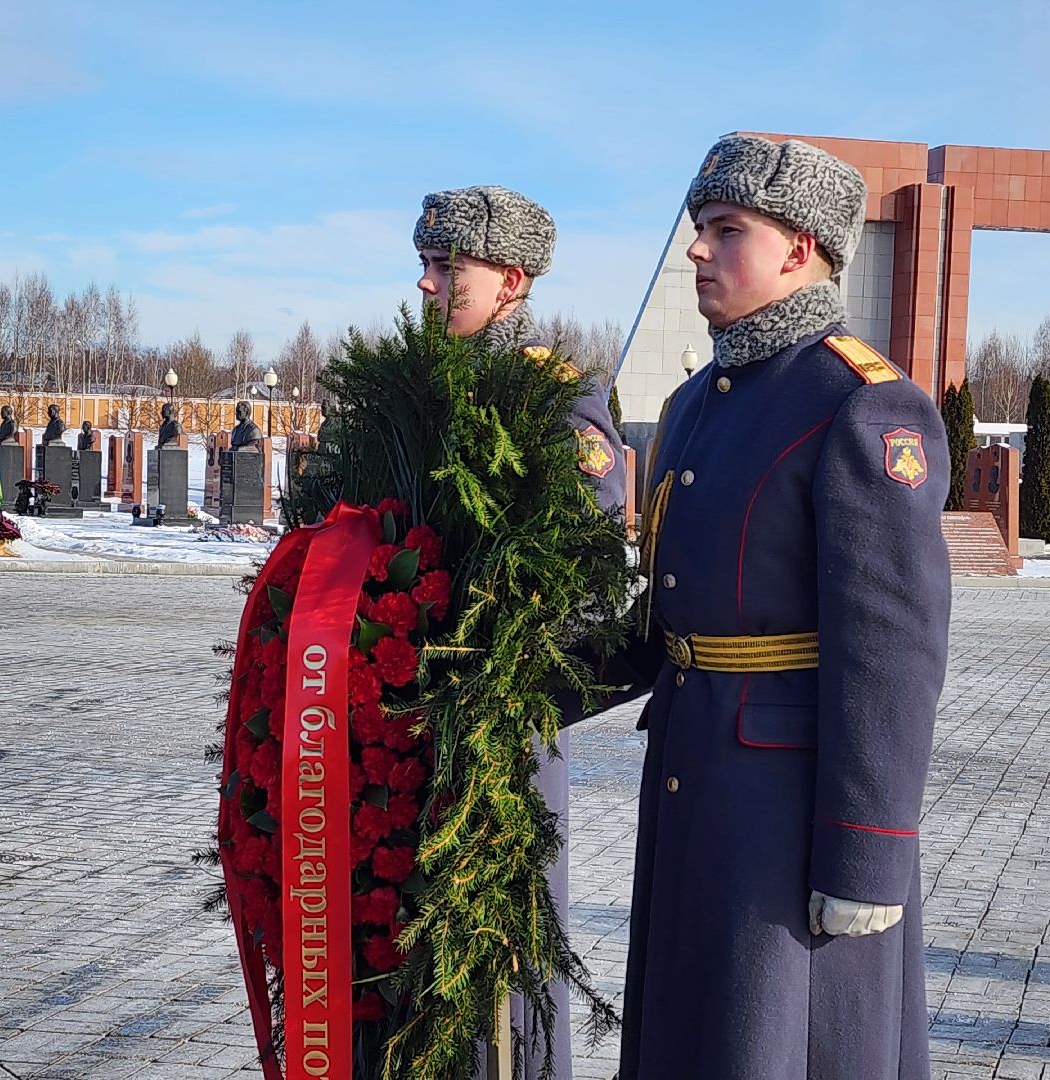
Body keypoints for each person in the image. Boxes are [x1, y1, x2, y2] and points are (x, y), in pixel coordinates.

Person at [616, 135, 951, 1079]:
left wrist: (867, 855)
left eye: (727, 230)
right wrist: (513, 687)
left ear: (801, 249)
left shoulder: (859, 403)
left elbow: (892, 648)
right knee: (687, 1038)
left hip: (786, 813)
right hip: (692, 776)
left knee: (772, 1044)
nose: (697, 249)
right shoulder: (695, 404)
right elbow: (668, 622)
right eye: (700, 228)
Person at [414, 185, 626, 1080]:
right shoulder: (419, 386)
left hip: (501, 732)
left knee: (500, 974)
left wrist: (494, 662)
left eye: (446, 266)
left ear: (510, 280)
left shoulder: (556, 402)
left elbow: (591, 577)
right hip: (405, 720)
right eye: (424, 264)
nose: (426, 285)